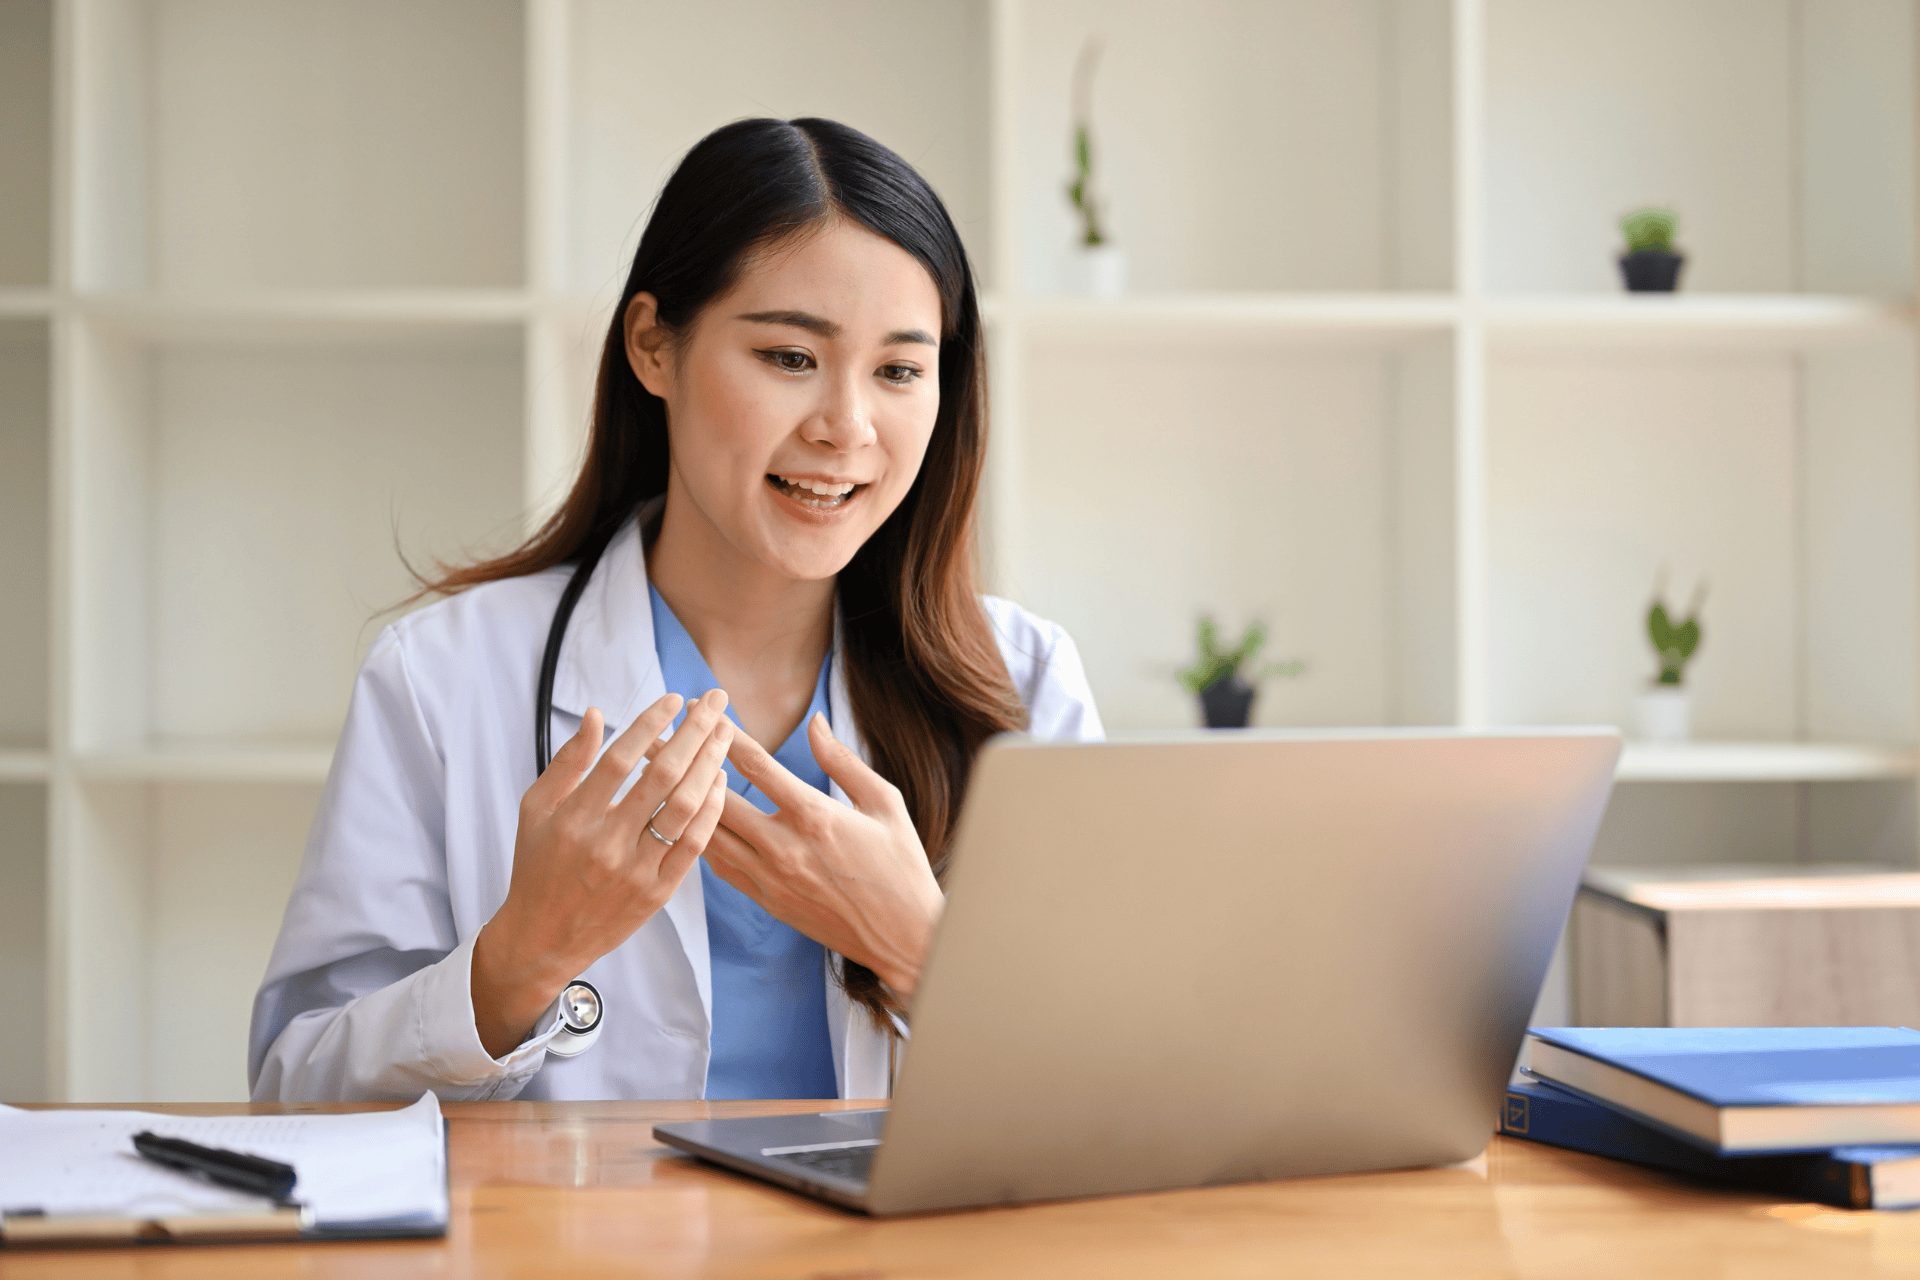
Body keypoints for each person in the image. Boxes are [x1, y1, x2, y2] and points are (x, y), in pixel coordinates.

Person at [248, 118, 1103, 1102]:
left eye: (901, 370)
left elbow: (1116, 1108)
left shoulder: (1025, 682)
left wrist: (918, 946)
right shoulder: (442, 677)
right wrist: (522, 955)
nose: (846, 427)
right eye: (790, 356)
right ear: (655, 345)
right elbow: (296, 1092)